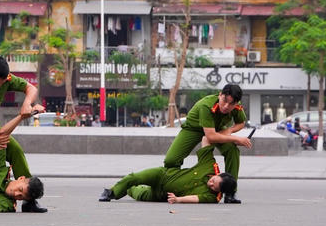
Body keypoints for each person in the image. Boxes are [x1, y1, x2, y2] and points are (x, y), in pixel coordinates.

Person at [162, 85, 250, 203]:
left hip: (217, 129)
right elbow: (210, 137)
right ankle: (170, 185)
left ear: (236, 103)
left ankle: (230, 193)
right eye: (224, 101)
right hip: (194, 129)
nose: (226, 106)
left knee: (232, 150)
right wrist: (237, 139)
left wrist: (229, 131)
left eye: (231, 104)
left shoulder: (236, 107)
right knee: (171, 160)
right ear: (220, 95)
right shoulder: (206, 106)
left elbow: (241, 123)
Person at [99, 144, 235, 204]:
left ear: (220, 192)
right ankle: (111, 193)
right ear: (219, 174)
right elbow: (206, 140)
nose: (210, 184)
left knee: (136, 193)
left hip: (162, 195)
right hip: (163, 175)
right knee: (135, 177)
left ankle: (126, 189)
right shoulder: (210, 165)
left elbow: (195, 198)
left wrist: (178, 199)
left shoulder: (214, 197)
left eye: (214, 188)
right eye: (213, 181)